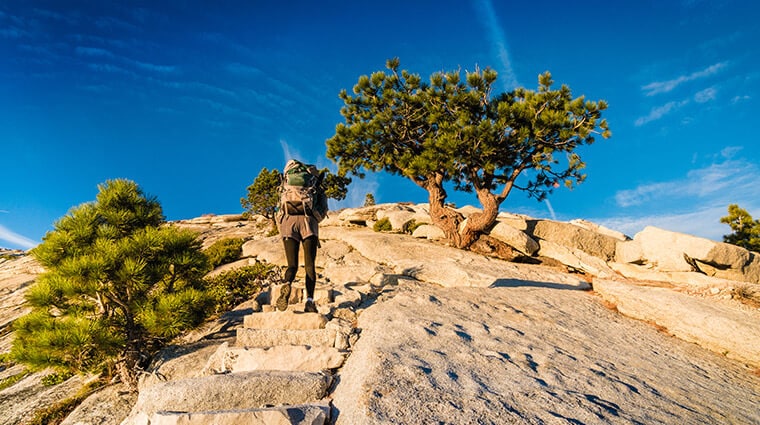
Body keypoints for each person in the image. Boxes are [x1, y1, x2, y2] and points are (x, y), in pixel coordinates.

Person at [275, 160, 325, 313]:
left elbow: (278, 207)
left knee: (292, 265)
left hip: (288, 223)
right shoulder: (316, 186)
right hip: (308, 223)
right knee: (309, 266)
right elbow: (322, 213)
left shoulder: (286, 184)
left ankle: (287, 283)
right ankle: (309, 301)